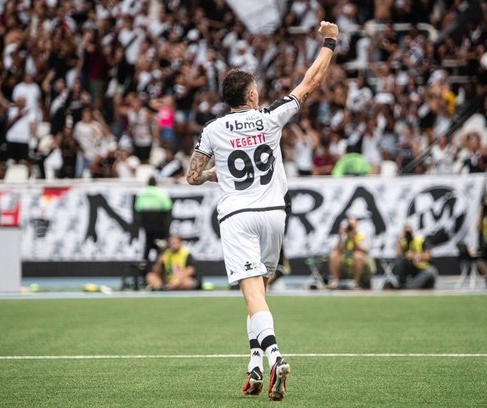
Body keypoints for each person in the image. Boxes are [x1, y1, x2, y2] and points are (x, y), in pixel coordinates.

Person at [186, 21, 340, 401]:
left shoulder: (213, 129)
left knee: (252, 293)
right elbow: (311, 81)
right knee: (260, 292)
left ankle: (274, 356)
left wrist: (213, 174)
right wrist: (330, 42)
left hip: (238, 216)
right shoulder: (270, 117)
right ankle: (255, 363)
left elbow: (191, 176)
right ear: (253, 94)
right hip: (274, 213)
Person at [134, 176, 173, 276]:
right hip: (159, 224)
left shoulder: (141, 193)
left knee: (147, 248)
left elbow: (137, 208)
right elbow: (168, 207)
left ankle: (143, 273)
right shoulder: (161, 192)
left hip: (147, 224)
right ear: (156, 183)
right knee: (161, 249)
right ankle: (160, 272)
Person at [327, 217, 373, 290]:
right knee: (334, 254)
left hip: (360, 259)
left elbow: (364, 250)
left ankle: (355, 283)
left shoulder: (362, 235)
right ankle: (335, 281)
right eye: (349, 225)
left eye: (352, 225)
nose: (350, 228)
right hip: (346, 258)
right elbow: (338, 249)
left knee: (358, 255)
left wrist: (353, 238)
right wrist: (341, 236)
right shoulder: (344, 236)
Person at [386, 225, 436, 289]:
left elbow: (429, 255)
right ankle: (402, 283)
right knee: (399, 263)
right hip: (411, 267)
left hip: (422, 267)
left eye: (409, 232)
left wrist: (415, 256)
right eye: (406, 232)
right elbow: (398, 254)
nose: (408, 234)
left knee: (430, 271)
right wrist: (400, 239)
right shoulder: (403, 242)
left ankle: (406, 287)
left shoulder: (420, 240)